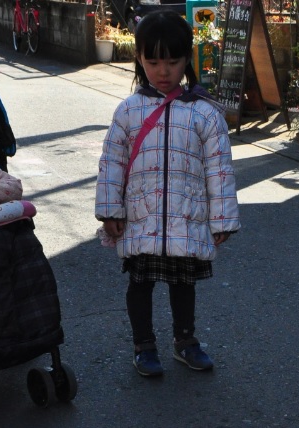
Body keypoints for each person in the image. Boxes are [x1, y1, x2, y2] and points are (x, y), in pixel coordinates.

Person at [95, 11, 239, 378]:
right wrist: (111, 211)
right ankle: (144, 346)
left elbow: (219, 169)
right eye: (153, 61)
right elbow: (112, 162)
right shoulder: (128, 111)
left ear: (187, 59)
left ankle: (185, 341)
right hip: (140, 216)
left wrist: (222, 220)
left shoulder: (205, 114)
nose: (163, 71)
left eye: (172, 61)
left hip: (185, 218)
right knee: (139, 284)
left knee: (183, 283)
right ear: (139, 59)